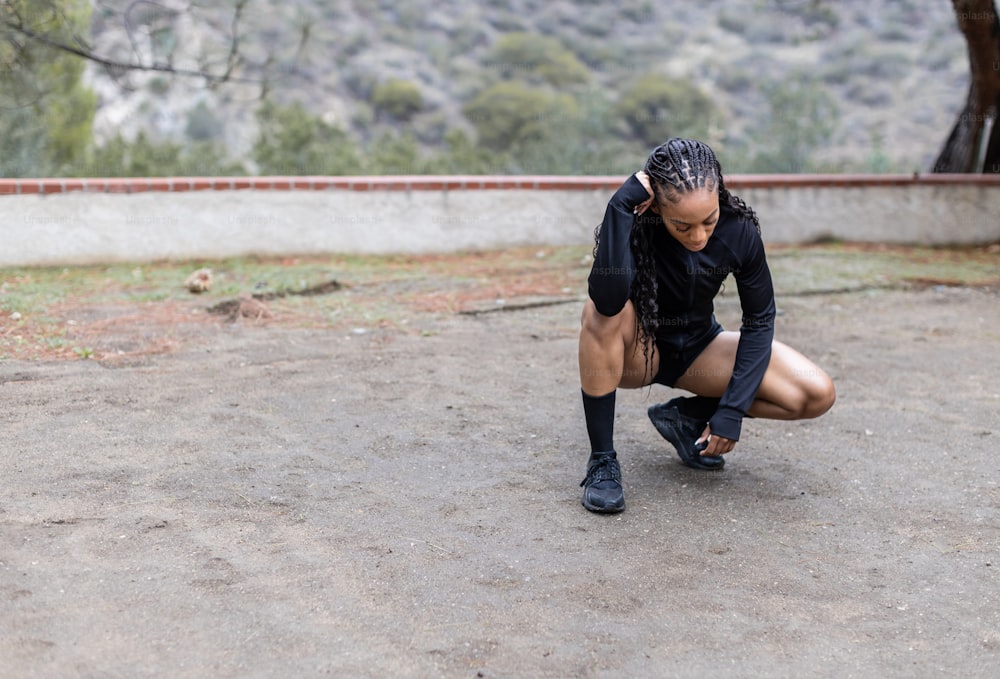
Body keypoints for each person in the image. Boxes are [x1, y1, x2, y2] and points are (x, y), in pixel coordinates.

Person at [578, 137, 836, 514]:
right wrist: (618, 207)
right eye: (682, 226)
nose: (699, 236)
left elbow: (760, 318)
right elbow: (608, 300)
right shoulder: (636, 223)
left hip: (700, 352)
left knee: (815, 393)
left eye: (709, 221)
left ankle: (686, 419)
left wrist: (730, 411)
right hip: (638, 355)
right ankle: (602, 461)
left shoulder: (739, 231)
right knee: (598, 314)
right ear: (659, 210)